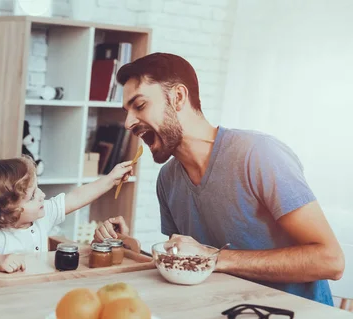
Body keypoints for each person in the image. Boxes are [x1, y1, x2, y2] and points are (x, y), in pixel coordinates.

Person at [93, 52, 343, 305]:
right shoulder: (168, 180)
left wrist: (213, 258)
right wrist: (128, 248)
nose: (128, 123)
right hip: (226, 317)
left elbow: (330, 260)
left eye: (140, 105)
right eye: (127, 111)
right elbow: (187, 264)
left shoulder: (258, 155)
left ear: (178, 97)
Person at [0, 156, 133, 273]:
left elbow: (77, 196)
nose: (42, 195)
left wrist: (111, 178)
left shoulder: (42, 216)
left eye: (38, 188)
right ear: (7, 212)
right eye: (32, 196)